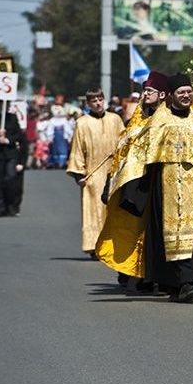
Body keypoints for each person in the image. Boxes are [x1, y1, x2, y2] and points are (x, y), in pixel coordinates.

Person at [110, 73, 193, 303]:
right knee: (166, 235)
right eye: (181, 92)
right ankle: (176, 284)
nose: (186, 96)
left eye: (189, 92)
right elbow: (141, 153)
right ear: (170, 95)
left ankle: (188, 283)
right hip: (165, 186)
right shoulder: (160, 119)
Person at [96, 71, 169, 288]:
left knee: (159, 232)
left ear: (162, 95)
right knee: (134, 228)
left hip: (161, 182)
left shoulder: (168, 118)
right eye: (144, 91)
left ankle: (157, 276)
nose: (145, 94)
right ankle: (134, 273)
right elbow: (122, 150)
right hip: (137, 185)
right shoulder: (137, 118)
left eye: (150, 91)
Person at [66, 89, 124, 258]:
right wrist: (79, 175)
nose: (98, 103)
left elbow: (125, 141)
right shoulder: (82, 123)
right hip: (93, 172)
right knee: (95, 210)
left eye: (100, 99)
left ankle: (115, 243)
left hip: (114, 170)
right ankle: (95, 245)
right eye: (94, 101)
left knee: (114, 208)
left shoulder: (115, 119)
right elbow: (77, 149)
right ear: (88, 104)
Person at [0, 103, 27, 217]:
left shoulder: (12, 117)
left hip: (10, 154)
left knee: (10, 178)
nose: (4, 106)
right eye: (1, 103)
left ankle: (11, 206)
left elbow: (18, 135)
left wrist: (7, 140)